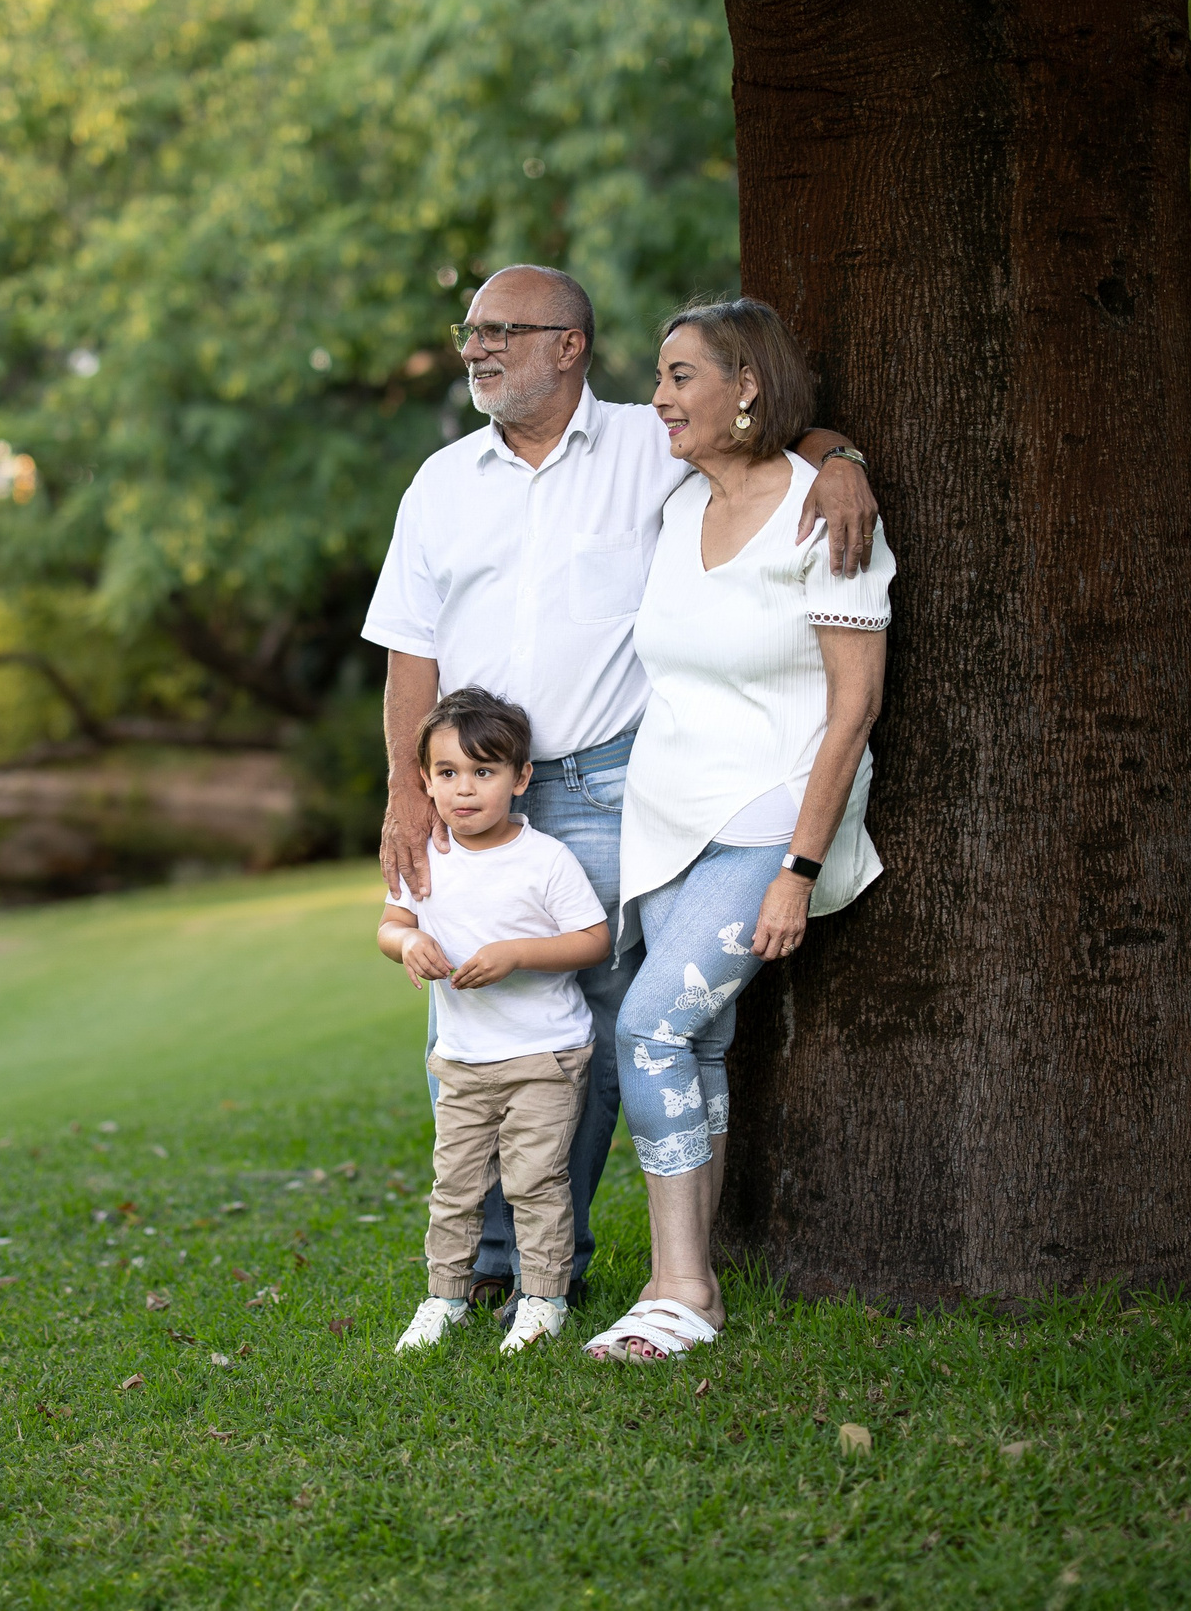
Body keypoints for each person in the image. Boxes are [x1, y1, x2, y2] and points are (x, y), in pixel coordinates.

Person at [362, 265, 880, 1323]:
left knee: (593, 1029)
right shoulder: (440, 482)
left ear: (568, 345)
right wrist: (406, 797)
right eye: (471, 329)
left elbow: (777, 442)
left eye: (502, 330)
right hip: (466, 800)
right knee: (463, 1010)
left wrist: (844, 461)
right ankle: (488, 1256)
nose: (476, 347)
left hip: (610, 787)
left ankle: (552, 1257)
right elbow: (408, 656)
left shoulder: (656, 445)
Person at [581, 296, 894, 1364]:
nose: (657, 397)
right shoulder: (676, 508)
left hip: (770, 817)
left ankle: (682, 1290)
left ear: (745, 385)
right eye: (659, 377)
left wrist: (798, 868)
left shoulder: (827, 509)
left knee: (649, 1029)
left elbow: (852, 707)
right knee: (697, 1038)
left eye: (678, 377)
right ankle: (687, 1273)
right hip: (667, 818)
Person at [379, 689, 611, 1354]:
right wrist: (407, 944)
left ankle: (543, 1298)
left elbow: (592, 939)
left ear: (521, 778)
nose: (465, 789)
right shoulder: (427, 856)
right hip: (462, 1058)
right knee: (453, 1187)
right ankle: (444, 1298)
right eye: (448, 773)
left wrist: (517, 955)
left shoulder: (544, 861)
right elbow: (392, 923)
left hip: (544, 1057)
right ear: (424, 780)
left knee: (536, 1183)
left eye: (485, 772)